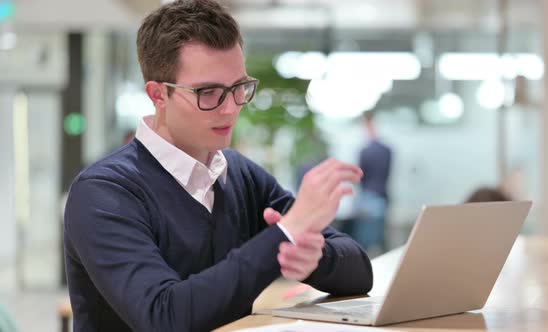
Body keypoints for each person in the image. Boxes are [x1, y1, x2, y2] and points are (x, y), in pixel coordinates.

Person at [63, 1, 373, 331]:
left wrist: (311, 258)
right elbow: (164, 317)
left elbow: (359, 270)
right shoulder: (104, 192)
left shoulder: (239, 175)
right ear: (158, 95)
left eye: (239, 88)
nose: (230, 109)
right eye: (208, 93)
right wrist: (286, 233)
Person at [353, 111, 392, 253]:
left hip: (368, 196)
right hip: (382, 195)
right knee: (380, 236)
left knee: (364, 238)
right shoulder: (387, 150)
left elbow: (359, 176)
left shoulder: (365, 151)